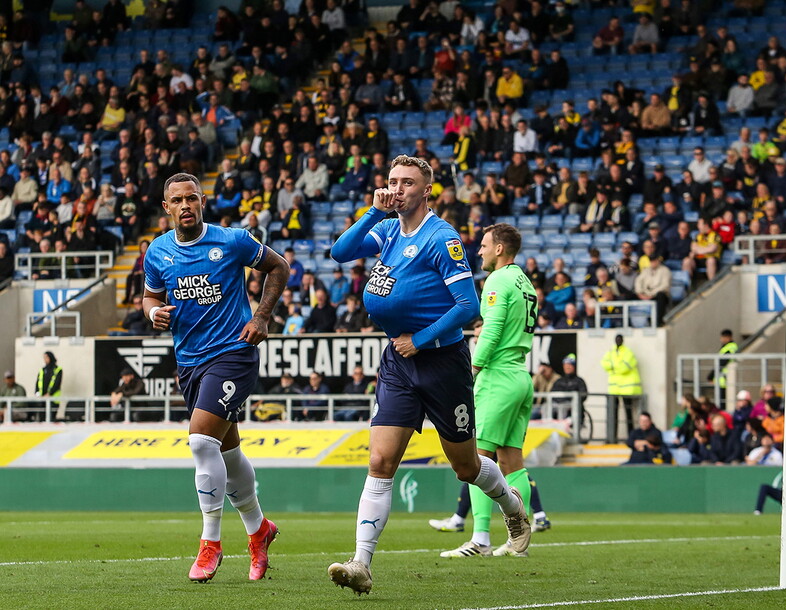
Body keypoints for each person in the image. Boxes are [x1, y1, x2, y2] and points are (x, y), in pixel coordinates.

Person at [327, 155, 530, 595]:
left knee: (465, 465)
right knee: (380, 461)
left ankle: (512, 506)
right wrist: (372, 212)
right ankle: (360, 562)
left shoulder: (443, 238)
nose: (397, 189)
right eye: (392, 181)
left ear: (426, 191)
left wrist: (419, 339)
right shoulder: (384, 228)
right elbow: (339, 252)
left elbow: (467, 308)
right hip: (399, 364)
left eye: (407, 183)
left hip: (441, 363)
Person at [142, 172, 290, 583]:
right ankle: (259, 530)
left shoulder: (232, 241)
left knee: (200, 439)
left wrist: (261, 316)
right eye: (178, 200)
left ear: (202, 202)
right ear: (166, 207)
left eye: (192, 198)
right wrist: (153, 312)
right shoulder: (157, 252)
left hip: (233, 354)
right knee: (226, 453)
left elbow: (279, 267)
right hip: (189, 361)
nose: (185, 205)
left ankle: (210, 544)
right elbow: (150, 295)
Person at [440, 223, 537, 558]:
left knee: (477, 458)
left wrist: (473, 368)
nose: (478, 251)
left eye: (483, 245)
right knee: (512, 459)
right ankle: (518, 540)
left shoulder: (498, 279)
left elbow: (492, 329)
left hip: (497, 377)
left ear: (499, 249)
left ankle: (480, 538)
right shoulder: (525, 282)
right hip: (521, 376)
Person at [600, 334, 642, 439]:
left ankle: (631, 437)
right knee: (613, 414)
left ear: (623, 340)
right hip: (614, 388)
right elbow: (604, 364)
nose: (618, 341)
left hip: (627, 388)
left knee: (628, 414)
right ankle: (612, 437)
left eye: (620, 339)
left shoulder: (628, 352)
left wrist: (613, 367)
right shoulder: (611, 352)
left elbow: (625, 367)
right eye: (616, 339)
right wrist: (616, 366)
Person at [36, 351, 64, 421]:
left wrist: (49, 394)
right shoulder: (42, 370)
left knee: (51, 418)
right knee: (41, 418)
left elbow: (57, 383)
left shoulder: (58, 370)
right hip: (42, 399)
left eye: (46, 357)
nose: (45, 359)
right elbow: (38, 383)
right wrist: (38, 394)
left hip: (53, 399)